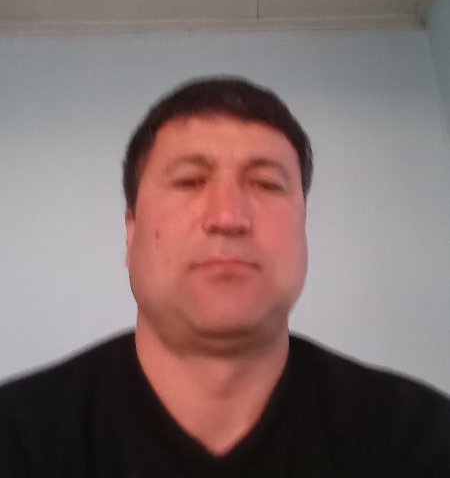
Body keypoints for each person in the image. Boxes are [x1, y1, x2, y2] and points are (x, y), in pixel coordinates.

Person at [0, 75, 449, 477]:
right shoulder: (20, 437)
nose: (229, 217)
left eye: (267, 184)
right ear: (131, 231)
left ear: (303, 228)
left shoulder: (419, 437)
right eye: (189, 181)